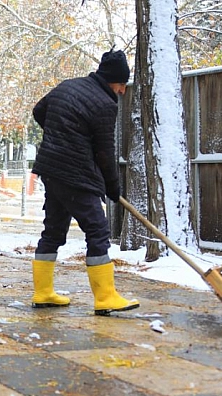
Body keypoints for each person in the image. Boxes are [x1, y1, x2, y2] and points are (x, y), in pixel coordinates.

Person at [30, 48, 139, 315]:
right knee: (97, 230)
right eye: (122, 84)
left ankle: (43, 292)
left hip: (51, 168)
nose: (122, 91)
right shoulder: (105, 105)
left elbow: (38, 111)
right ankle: (106, 297)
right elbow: (104, 152)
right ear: (113, 80)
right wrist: (113, 187)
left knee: (53, 230)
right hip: (75, 173)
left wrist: (61, 134)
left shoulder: (67, 87)